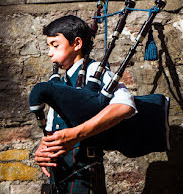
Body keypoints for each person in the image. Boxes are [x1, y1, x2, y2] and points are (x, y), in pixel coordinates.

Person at [34, 15, 137, 193]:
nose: (50, 52)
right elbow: (55, 127)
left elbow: (125, 106)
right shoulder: (60, 81)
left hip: (84, 172)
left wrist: (75, 134)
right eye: (49, 46)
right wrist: (44, 148)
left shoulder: (94, 71)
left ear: (77, 44)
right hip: (58, 173)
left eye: (55, 45)